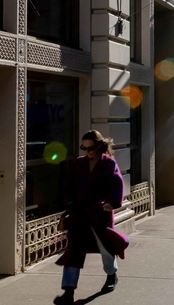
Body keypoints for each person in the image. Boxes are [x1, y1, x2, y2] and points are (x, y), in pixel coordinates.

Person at [54, 130, 129, 305]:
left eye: (91, 147)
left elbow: (117, 184)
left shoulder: (109, 164)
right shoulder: (77, 164)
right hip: (79, 214)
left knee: (106, 247)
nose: (87, 151)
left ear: (100, 147)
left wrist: (112, 202)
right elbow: (67, 187)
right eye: (84, 147)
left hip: (99, 214)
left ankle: (111, 275)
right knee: (73, 251)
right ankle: (68, 291)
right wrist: (70, 204)